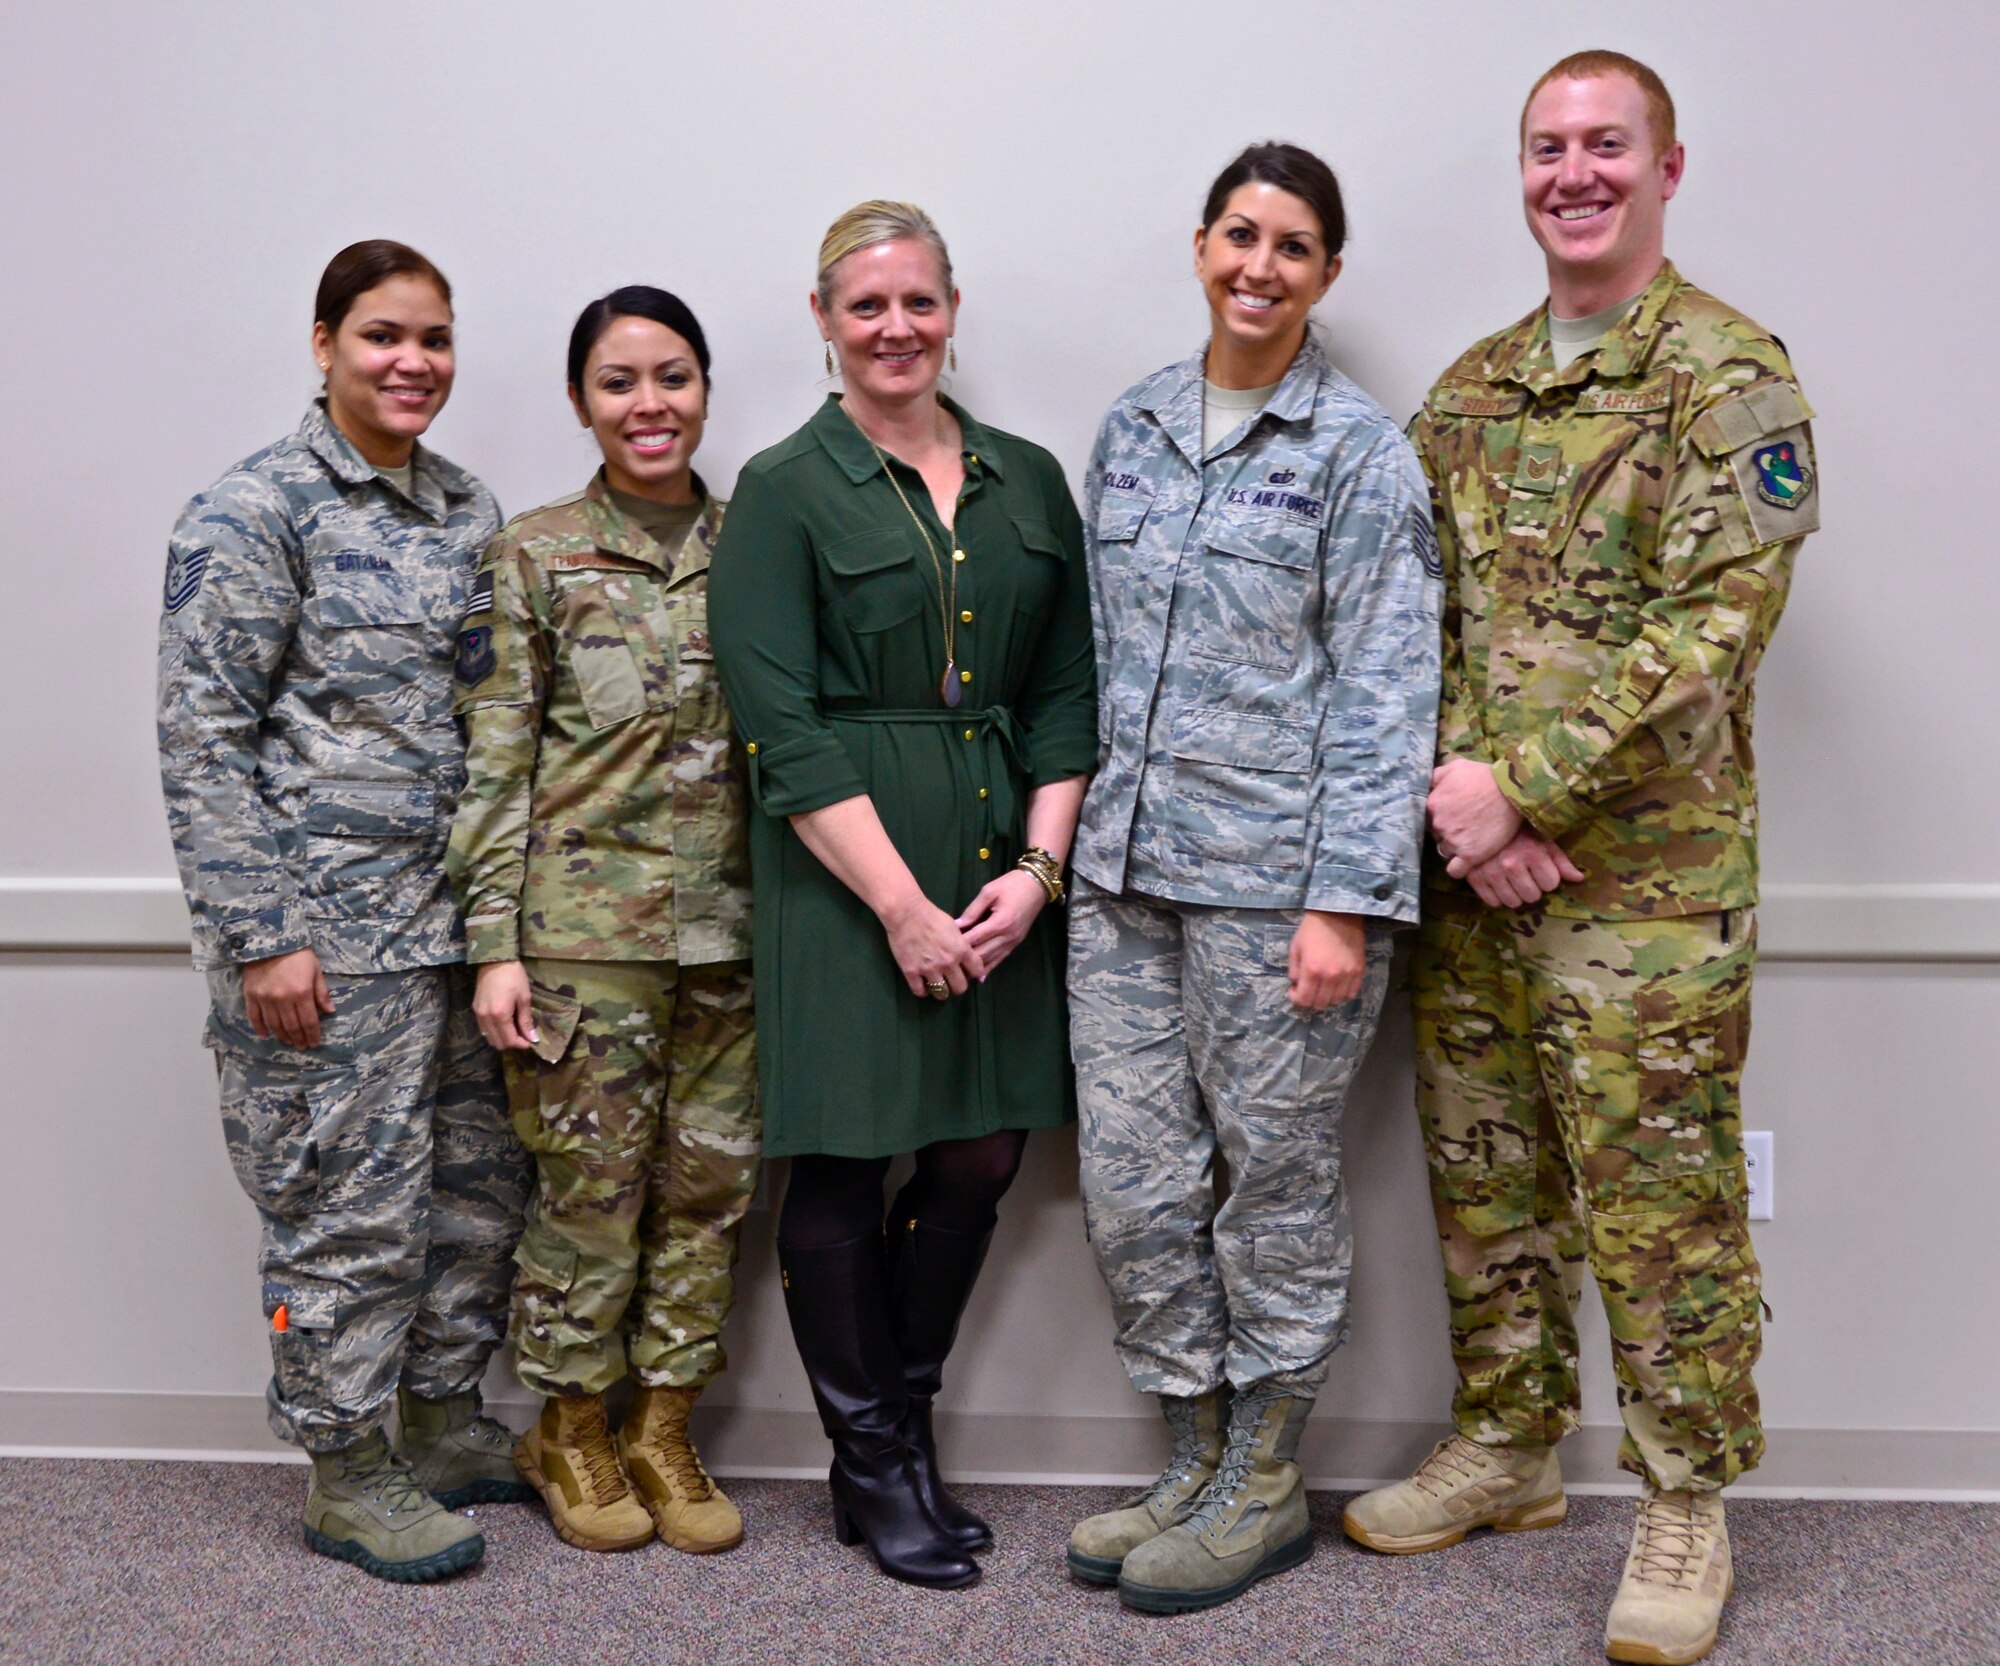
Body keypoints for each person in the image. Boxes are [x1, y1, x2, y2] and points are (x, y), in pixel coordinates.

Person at [1339, 52, 1819, 1666]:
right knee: (1486, 1185)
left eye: (1606, 145)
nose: (1574, 172)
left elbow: (1713, 635)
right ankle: (1512, 1442)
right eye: (1548, 148)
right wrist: (1459, 811)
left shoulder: (1729, 379)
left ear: (1667, 168)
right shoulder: (1470, 394)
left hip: (1649, 902)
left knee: (1659, 1202)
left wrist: (1526, 795)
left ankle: (1685, 1496)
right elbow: (1406, 629)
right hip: (1476, 883)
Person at [1064, 143, 1441, 1615]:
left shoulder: (1356, 452)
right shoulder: (1138, 426)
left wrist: (1345, 899)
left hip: (1281, 895)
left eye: (1294, 245)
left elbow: (1386, 693)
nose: (1260, 266)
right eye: (1240, 234)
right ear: (1201, 244)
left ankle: (1267, 1477)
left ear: (1327, 273)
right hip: (1122, 884)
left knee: (1270, 1187)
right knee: (1136, 1183)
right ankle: (1194, 1455)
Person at [708, 201, 1096, 1590]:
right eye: (865, 304)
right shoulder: (781, 486)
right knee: (839, 1154)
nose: (895, 327)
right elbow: (782, 727)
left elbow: (1064, 697)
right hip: (843, 880)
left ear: (951, 308)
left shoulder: (1028, 479)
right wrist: (899, 906)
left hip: (1004, 870)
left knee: (983, 1149)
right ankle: (872, 1460)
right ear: (822, 317)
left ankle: (902, 1426)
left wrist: (1038, 877)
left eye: (918, 301)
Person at [157, 239, 533, 1582]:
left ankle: (436, 1419)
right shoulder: (255, 512)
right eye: (382, 335)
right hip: (325, 945)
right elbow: (204, 736)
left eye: (433, 337)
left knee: (474, 1198)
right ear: (322, 344)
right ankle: (344, 1463)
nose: (412, 361)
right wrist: (262, 933)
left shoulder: (467, 509)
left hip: (452, 939)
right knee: (348, 1214)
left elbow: (492, 725)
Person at [446, 286, 757, 1558]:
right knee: (586, 1196)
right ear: (582, 401)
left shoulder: (758, 545)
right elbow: (496, 761)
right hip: (582, 942)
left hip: (730, 937)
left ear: (705, 388)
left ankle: (662, 1422)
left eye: (672, 377)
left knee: (710, 1191)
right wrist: (492, 945)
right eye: (620, 382)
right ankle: (568, 1424)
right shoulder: (533, 553)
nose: (650, 405)